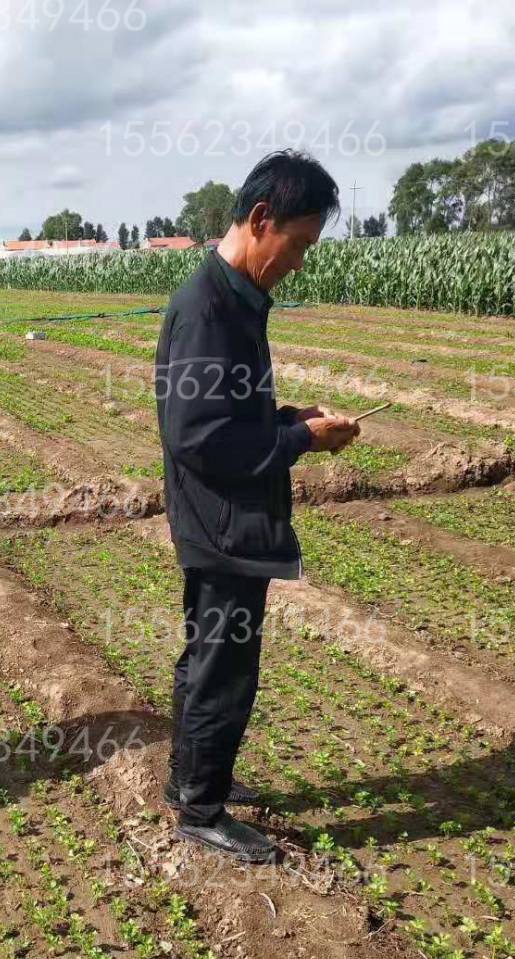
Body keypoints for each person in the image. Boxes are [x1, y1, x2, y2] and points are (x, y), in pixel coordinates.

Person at [156, 151, 359, 863]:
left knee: (209, 657)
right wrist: (301, 438)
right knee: (224, 665)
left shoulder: (232, 297)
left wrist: (287, 417)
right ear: (262, 219)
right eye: (299, 244)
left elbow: (227, 412)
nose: (299, 261)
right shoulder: (208, 308)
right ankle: (202, 809)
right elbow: (199, 436)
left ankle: (192, 780)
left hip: (219, 516)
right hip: (221, 521)